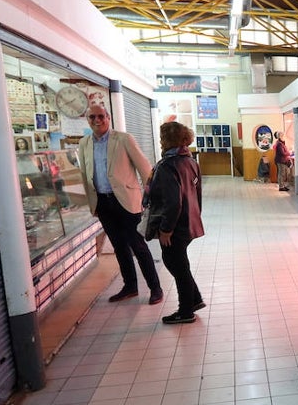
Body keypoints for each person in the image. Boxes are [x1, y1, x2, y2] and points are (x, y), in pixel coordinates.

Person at [76, 104, 163, 304]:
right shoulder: (84, 143)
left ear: (108, 117)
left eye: (101, 116)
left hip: (126, 201)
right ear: (87, 120)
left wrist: (149, 198)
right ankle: (130, 286)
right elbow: (84, 174)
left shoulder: (123, 139)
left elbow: (145, 168)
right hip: (102, 202)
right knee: (119, 247)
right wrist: (91, 203)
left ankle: (155, 288)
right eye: (92, 118)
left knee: (138, 245)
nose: (97, 121)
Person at [144, 121, 205, 324]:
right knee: (180, 263)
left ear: (168, 139)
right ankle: (193, 300)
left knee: (175, 264)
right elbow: (197, 195)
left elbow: (173, 202)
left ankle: (186, 311)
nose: (160, 141)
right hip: (190, 221)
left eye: (162, 137)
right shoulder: (190, 161)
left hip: (176, 225)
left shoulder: (168, 166)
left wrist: (166, 229)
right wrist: (196, 216)